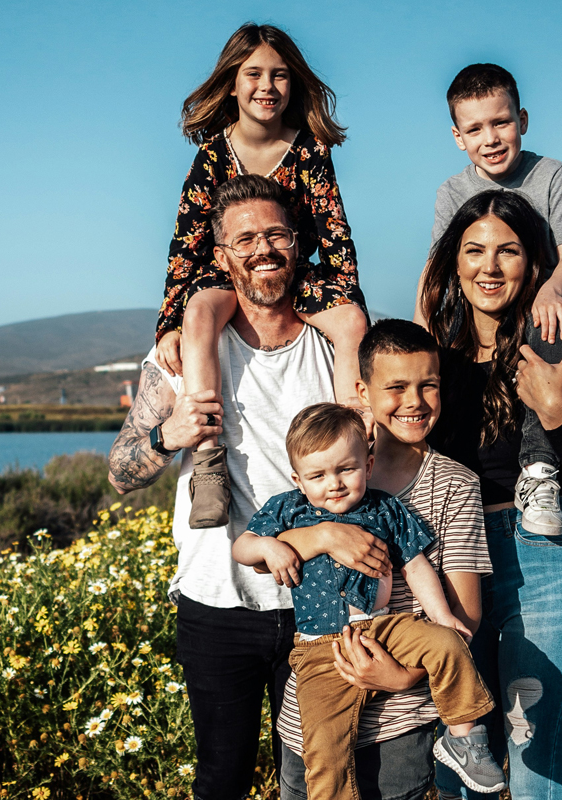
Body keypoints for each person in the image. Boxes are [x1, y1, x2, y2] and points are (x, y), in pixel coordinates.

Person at [109, 174, 356, 800]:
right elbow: (119, 472)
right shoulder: (181, 358)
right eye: (244, 239)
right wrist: (169, 435)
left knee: (318, 779)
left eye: (275, 234)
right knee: (221, 778)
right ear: (222, 257)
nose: (262, 249)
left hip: (320, 600)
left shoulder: (332, 347)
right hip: (217, 601)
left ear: (297, 245)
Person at [419, 189, 562, 800]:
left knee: (538, 775)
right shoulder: (432, 361)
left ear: (533, 264)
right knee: (460, 772)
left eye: (507, 251)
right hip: (454, 562)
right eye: (474, 250)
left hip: (553, 565)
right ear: (452, 263)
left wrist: (555, 410)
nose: (489, 266)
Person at [265, 319, 497, 800]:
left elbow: (464, 616)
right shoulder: (321, 475)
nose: (414, 401)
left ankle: (466, 743)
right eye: (395, 387)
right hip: (309, 718)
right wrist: (327, 536)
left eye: (427, 385)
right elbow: (262, 553)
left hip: (401, 720)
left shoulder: (455, 484)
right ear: (362, 391)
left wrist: (399, 676)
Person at [155, 23, 369, 530]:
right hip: (226, 273)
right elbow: (185, 244)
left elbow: (334, 232)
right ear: (232, 83)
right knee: (201, 310)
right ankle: (209, 463)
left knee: (352, 324)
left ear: (293, 84)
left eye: (279, 75)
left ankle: (358, 447)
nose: (267, 86)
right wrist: (168, 323)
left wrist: (348, 302)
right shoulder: (211, 155)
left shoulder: (311, 150)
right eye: (253, 74)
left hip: (298, 273)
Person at [415, 63, 562, 539]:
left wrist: (553, 288)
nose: (489, 138)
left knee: (550, 325)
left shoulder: (550, 174)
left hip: (537, 312)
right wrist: (419, 333)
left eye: (501, 122)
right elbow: (436, 269)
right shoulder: (452, 191)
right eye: (475, 128)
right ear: (457, 137)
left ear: (523, 120)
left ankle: (538, 472)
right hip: (474, 318)